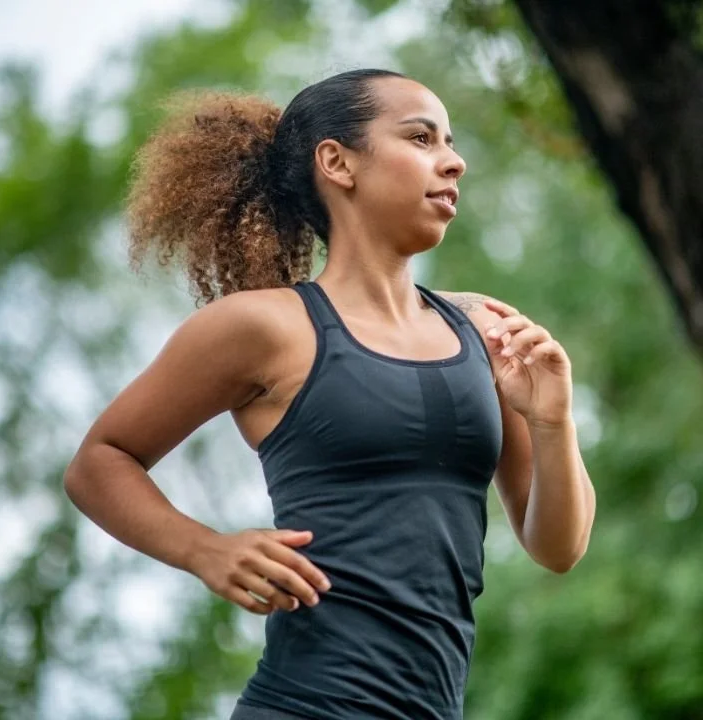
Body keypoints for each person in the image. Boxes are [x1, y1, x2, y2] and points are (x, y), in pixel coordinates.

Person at [64, 68, 596, 720]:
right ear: (338, 162)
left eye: (450, 143)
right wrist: (206, 549)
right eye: (422, 138)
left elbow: (557, 546)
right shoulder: (262, 327)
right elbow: (99, 460)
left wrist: (553, 418)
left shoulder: (484, 330)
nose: (454, 162)